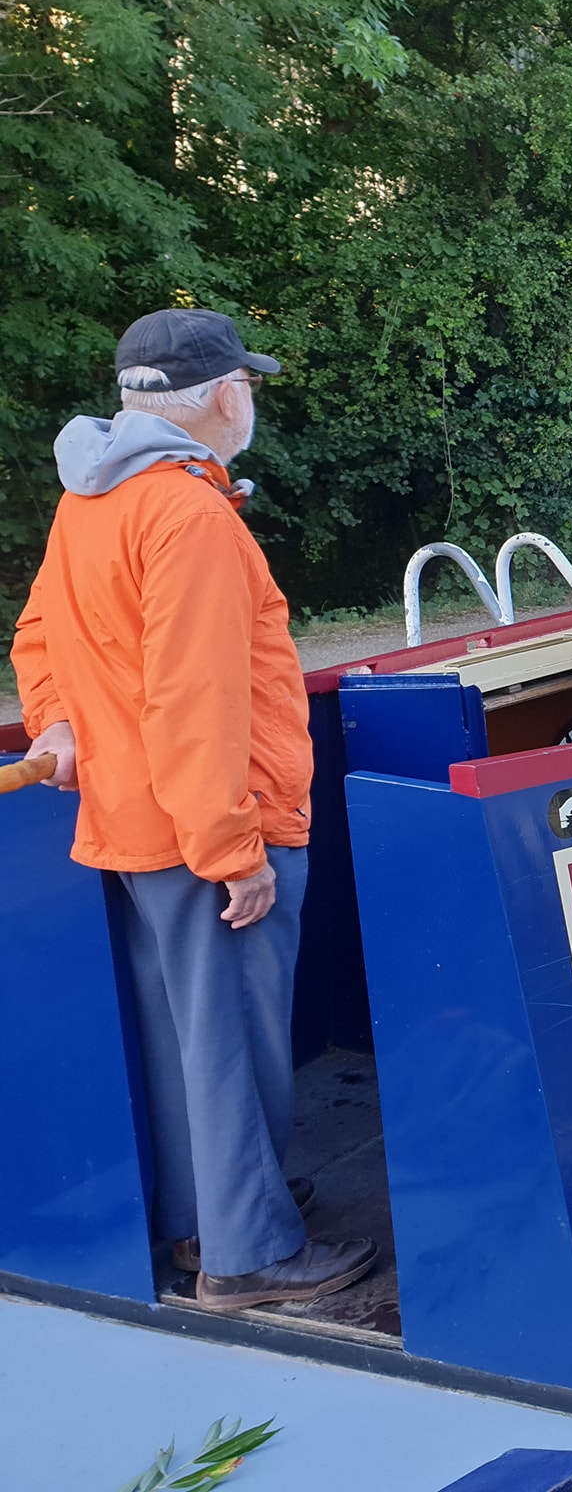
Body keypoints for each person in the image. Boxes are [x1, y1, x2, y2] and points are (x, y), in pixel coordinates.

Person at [10, 309, 377, 1312]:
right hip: (206, 827)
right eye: (246, 384)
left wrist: (56, 722)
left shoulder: (89, 499)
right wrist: (233, 848)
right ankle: (248, 1253)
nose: (249, 399)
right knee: (229, 1045)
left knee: (187, 1038)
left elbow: (36, 635)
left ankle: (207, 1214)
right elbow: (196, 696)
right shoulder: (188, 513)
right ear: (222, 395)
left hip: (133, 822)